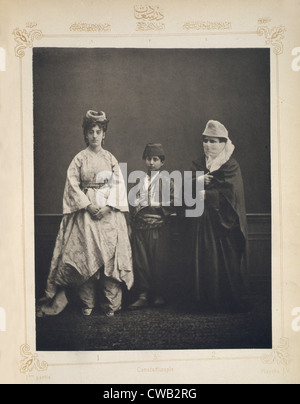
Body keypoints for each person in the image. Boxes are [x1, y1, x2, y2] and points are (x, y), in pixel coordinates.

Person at [37, 110, 133, 318]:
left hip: (109, 215)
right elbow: (72, 185)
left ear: (104, 134)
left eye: (99, 131)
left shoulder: (110, 158)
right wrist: (88, 205)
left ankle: (110, 305)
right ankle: (87, 303)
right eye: (91, 132)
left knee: (110, 261)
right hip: (86, 214)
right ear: (86, 134)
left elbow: (118, 185)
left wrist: (108, 207)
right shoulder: (79, 159)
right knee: (86, 258)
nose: (95, 136)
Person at [184, 120, 250, 312]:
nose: (208, 145)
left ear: (223, 143)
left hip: (223, 223)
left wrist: (206, 194)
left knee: (223, 260)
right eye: (206, 141)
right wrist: (197, 181)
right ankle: (203, 300)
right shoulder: (198, 164)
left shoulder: (230, 165)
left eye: (213, 142)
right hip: (201, 221)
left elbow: (233, 194)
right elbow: (184, 190)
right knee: (203, 258)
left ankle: (224, 300)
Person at [129, 144, 176, 309]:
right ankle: (142, 295)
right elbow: (132, 202)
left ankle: (159, 294)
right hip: (140, 227)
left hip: (159, 227)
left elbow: (174, 203)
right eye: (148, 159)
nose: (151, 163)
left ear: (162, 162)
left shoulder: (168, 182)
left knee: (159, 261)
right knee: (141, 261)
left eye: (155, 159)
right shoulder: (139, 180)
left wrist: (157, 205)